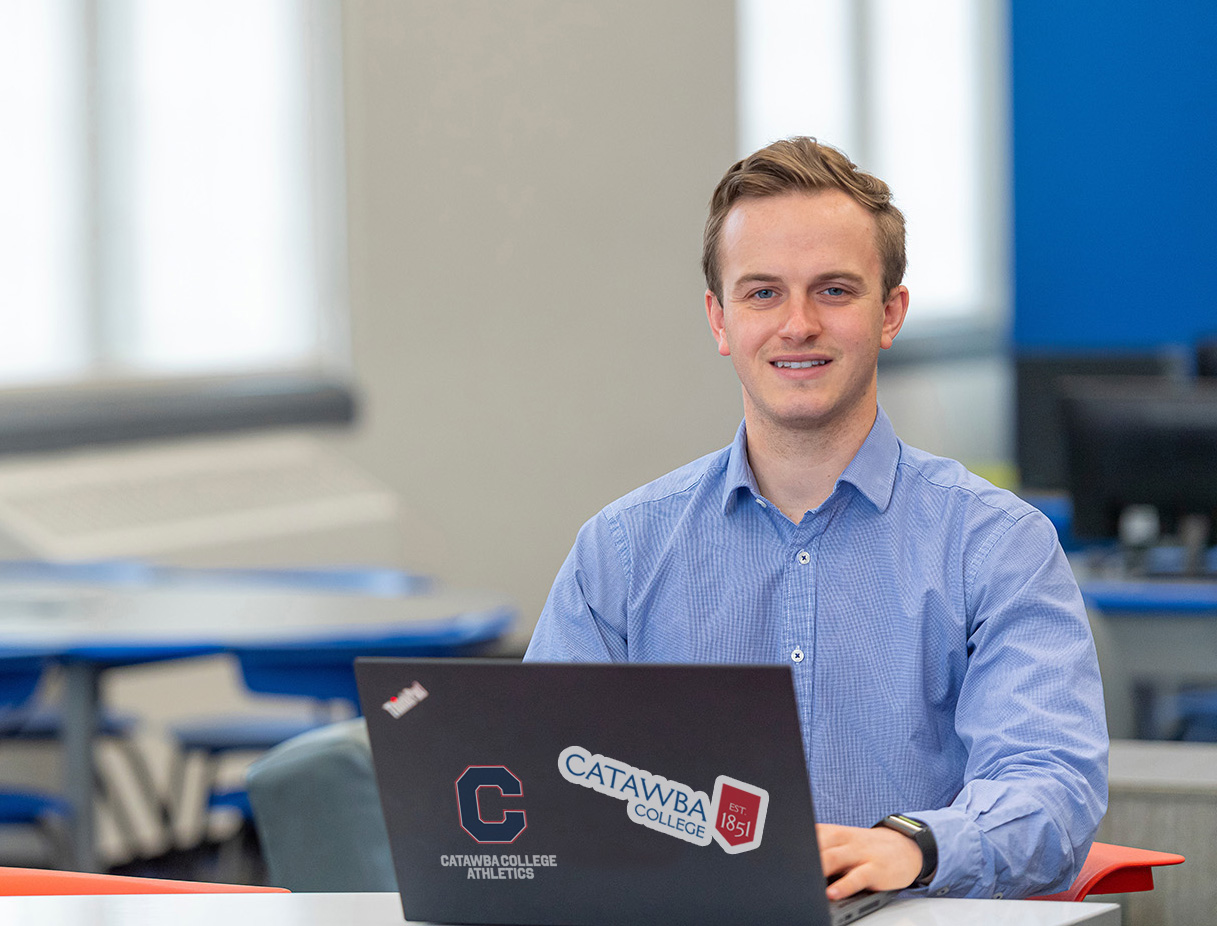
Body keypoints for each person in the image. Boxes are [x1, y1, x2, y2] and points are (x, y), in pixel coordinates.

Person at [524, 137, 1107, 900]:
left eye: (832, 290)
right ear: (719, 320)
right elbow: (541, 774)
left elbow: (1051, 784)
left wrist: (915, 848)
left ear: (889, 312)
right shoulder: (622, 549)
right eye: (761, 293)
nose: (796, 324)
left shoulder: (996, 545)